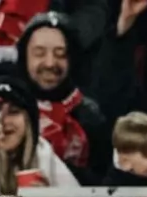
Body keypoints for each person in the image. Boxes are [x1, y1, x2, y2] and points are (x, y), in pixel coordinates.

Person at [17, 11, 109, 180]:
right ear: (24, 57)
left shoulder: (91, 115)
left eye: (60, 54)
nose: (50, 63)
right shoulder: (9, 111)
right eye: (39, 53)